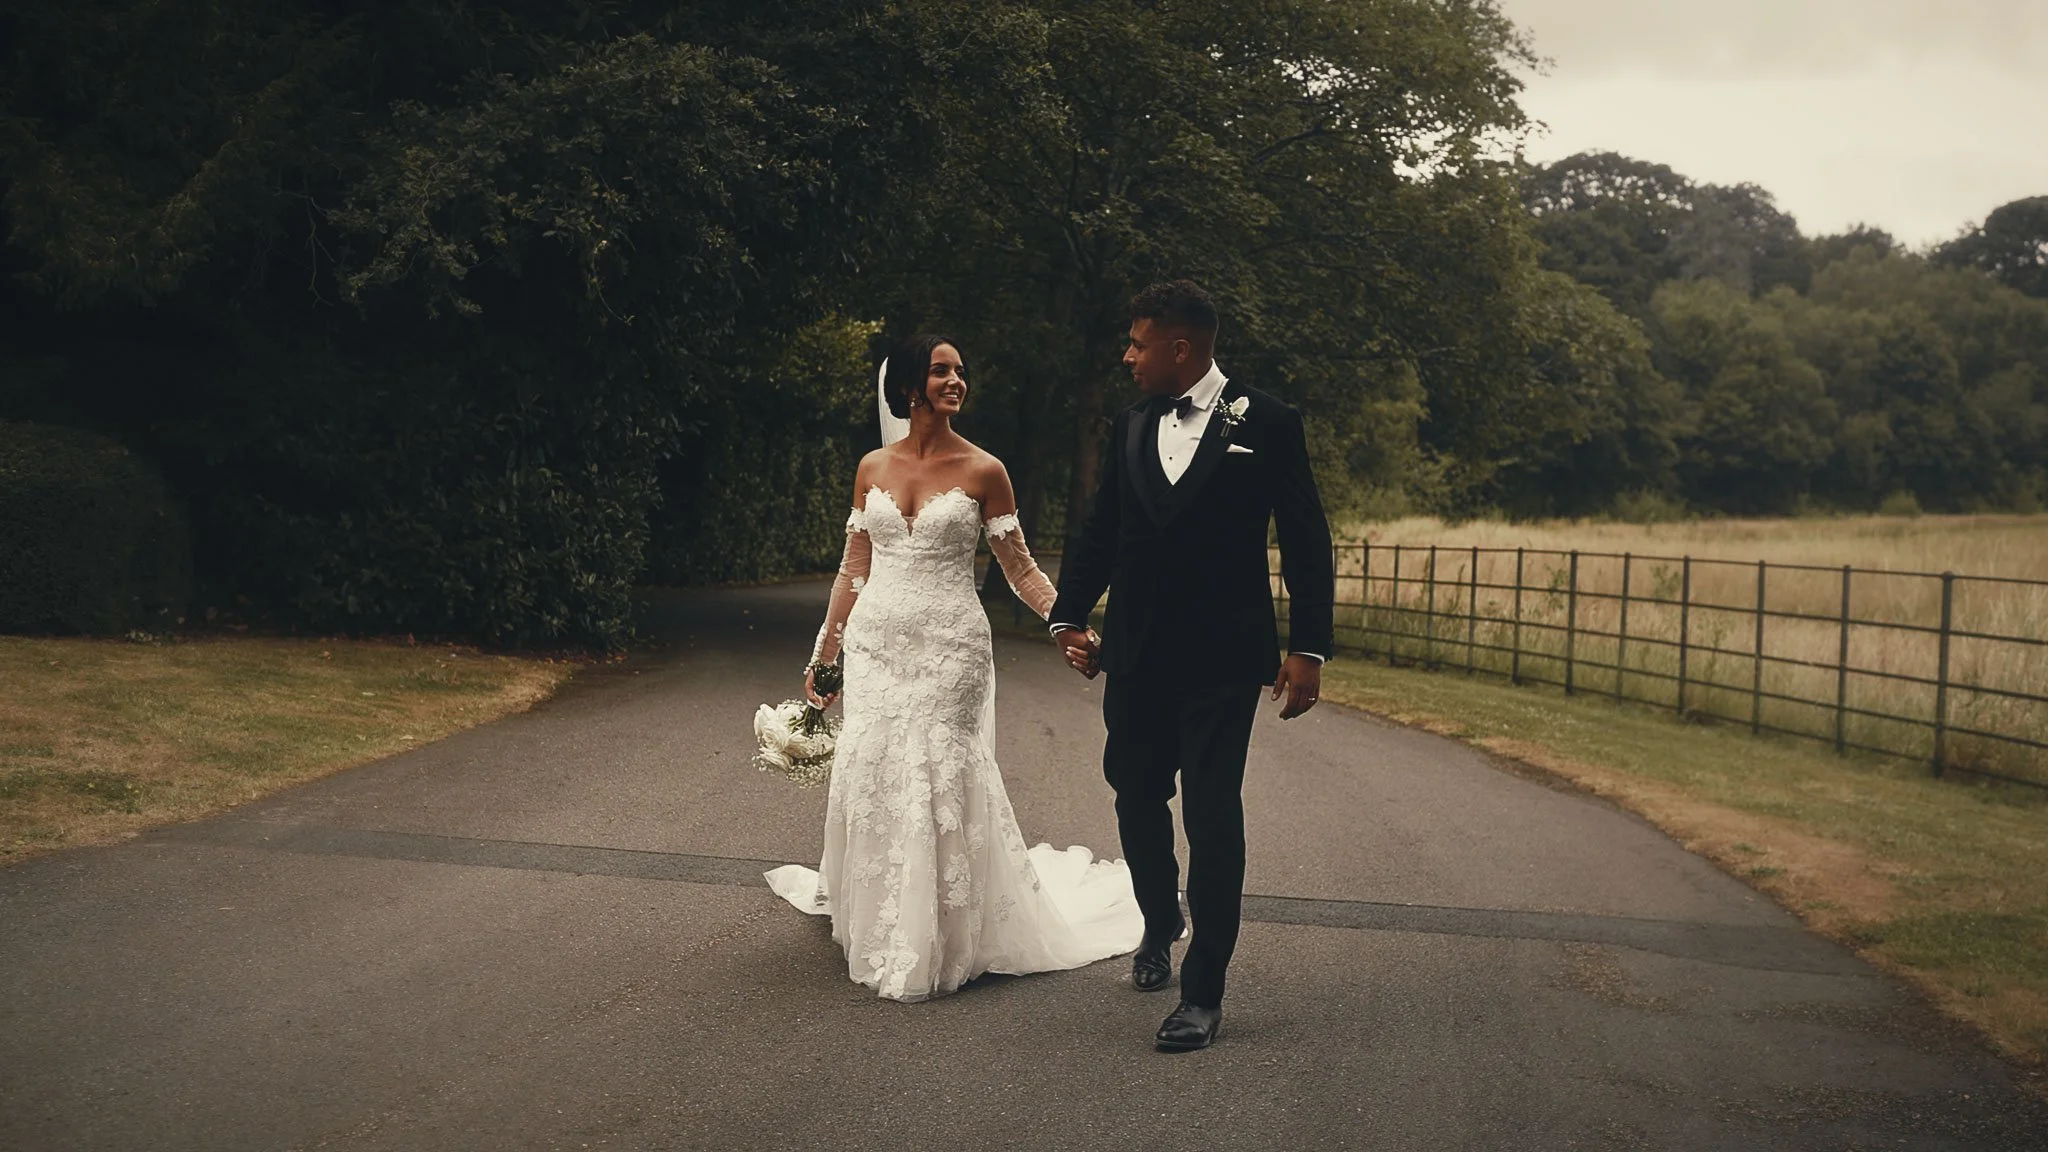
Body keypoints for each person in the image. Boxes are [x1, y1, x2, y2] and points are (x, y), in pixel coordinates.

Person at [764, 334, 1143, 1002]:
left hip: (951, 646)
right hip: (878, 643)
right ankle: (880, 918)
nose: (956, 380)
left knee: (939, 768)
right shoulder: (871, 467)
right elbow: (854, 569)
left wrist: (1067, 625)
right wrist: (826, 658)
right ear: (912, 385)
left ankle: (943, 930)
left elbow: (1020, 567)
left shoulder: (984, 471)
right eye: (942, 370)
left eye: (961, 371)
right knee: (876, 764)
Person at [1050, 280, 1335, 1051]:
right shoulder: (1132, 422)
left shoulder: (1268, 422)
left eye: (1138, 343)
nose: (1128, 355)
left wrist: (1308, 647)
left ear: (1181, 346)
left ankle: (1203, 994)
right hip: (1135, 650)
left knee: (1211, 815)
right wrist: (1069, 614)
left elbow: (1306, 537)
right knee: (1135, 796)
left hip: (1223, 656)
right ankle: (1157, 920)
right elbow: (1104, 526)